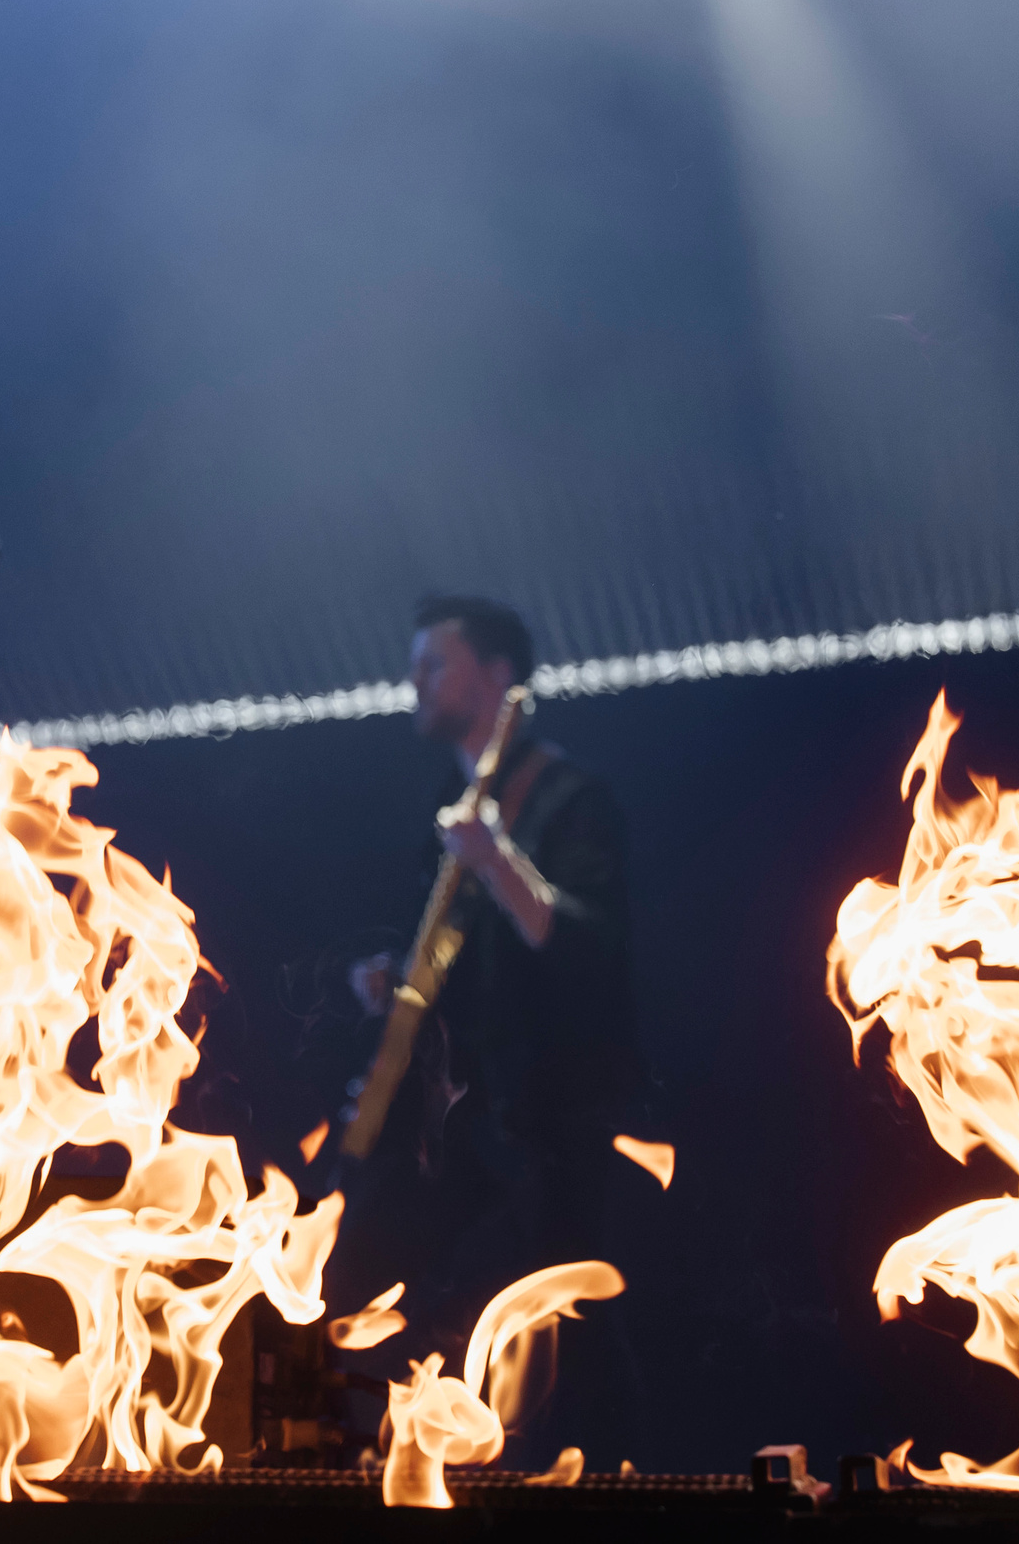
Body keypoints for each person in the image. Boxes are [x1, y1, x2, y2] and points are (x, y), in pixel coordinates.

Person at [331, 593, 640, 1458]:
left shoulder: (572, 800)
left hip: (551, 1120)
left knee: (571, 1325)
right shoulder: (448, 801)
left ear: (497, 676)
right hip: (460, 1115)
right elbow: (462, 969)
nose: (416, 680)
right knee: (368, 1275)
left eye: (435, 662)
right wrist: (394, 982)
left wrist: (496, 857)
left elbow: (584, 952)